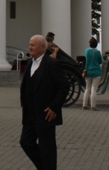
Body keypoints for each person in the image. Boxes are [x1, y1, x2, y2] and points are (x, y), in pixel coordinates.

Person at [20, 34, 69, 170]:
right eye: (30, 44)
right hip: (30, 113)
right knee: (26, 142)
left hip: (46, 113)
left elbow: (64, 86)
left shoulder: (52, 64)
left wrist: (54, 107)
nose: (30, 47)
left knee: (47, 149)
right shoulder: (30, 62)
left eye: (33, 45)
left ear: (43, 47)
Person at [82, 37, 102, 111]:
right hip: (96, 72)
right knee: (94, 89)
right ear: (96, 45)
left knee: (87, 88)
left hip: (88, 72)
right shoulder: (97, 52)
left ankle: (84, 104)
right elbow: (100, 61)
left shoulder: (86, 51)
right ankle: (93, 105)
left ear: (89, 44)